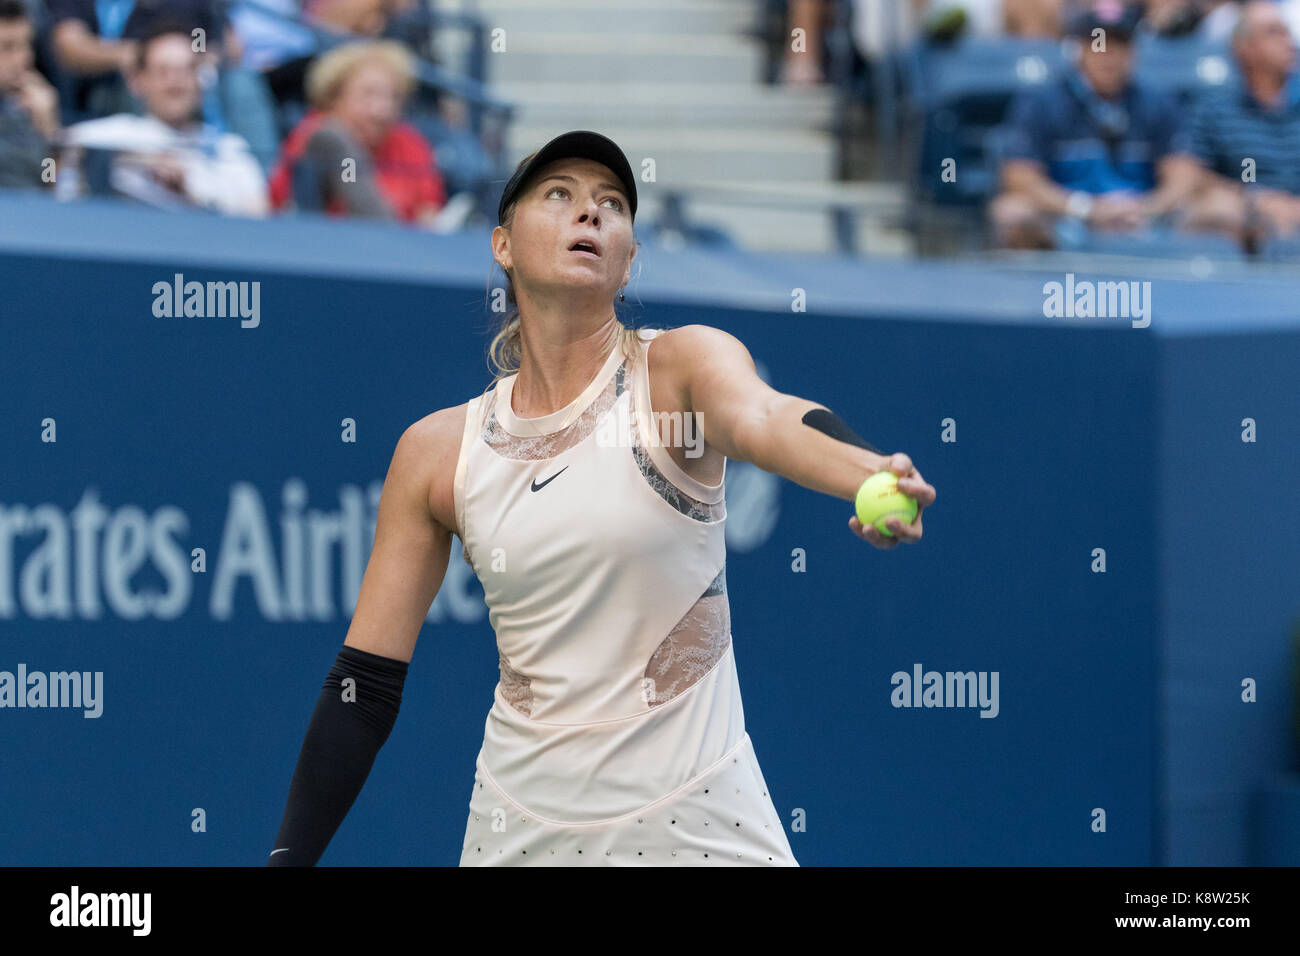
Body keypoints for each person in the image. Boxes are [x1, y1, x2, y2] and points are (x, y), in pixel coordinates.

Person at [264, 130, 937, 867]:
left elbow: (766, 417)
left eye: (611, 205)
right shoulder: (437, 453)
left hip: (703, 832)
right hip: (517, 835)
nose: (590, 214)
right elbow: (365, 681)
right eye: (559, 195)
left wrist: (868, 469)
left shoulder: (677, 370)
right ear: (502, 245)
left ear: (628, 261)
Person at [989, 0, 1203, 248]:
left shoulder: (1158, 101)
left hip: (1142, 219)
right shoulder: (1042, 101)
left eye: (1118, 43)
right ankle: (1035, 286)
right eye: (1097, 43)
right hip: (1066, 218)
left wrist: (1147, 208)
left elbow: (1184, 176)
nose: (1107, 54)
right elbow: (1019, 177)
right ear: (1079, 48)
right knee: (1011, 212)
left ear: (1133, 51)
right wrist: (1085, 208)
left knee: (1215, 210)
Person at [57, 23, 268, 216]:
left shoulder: (230, 151)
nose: (175, 82)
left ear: (202, 79)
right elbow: (54, 162)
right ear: (138, 80)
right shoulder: (105, 135)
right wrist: (137, 161)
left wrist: (191, 191)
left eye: (187, 70)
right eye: (163, 71)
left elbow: (259, 218)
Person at [268, 39, 445, 225]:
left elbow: (428, 210)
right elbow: (350, 184)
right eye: (368, 95)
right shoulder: (325, 140)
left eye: (392, 97)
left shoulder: (409, 144)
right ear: (334, 98)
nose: (382, 110)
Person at [1182, 0, 1300, 246]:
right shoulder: (1216, 108)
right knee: (1214, 209)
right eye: (1274, 33)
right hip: (1246, 223)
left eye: (1287, 32)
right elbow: (1194, 175)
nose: (1288, 42)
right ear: (1245, 47)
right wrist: (1256, 200)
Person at [0, 0, 59, 190]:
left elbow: (49, 183)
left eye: (26, 45)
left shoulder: (32, 106)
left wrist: (49, 132)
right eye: (7, 47)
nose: (24, 58)